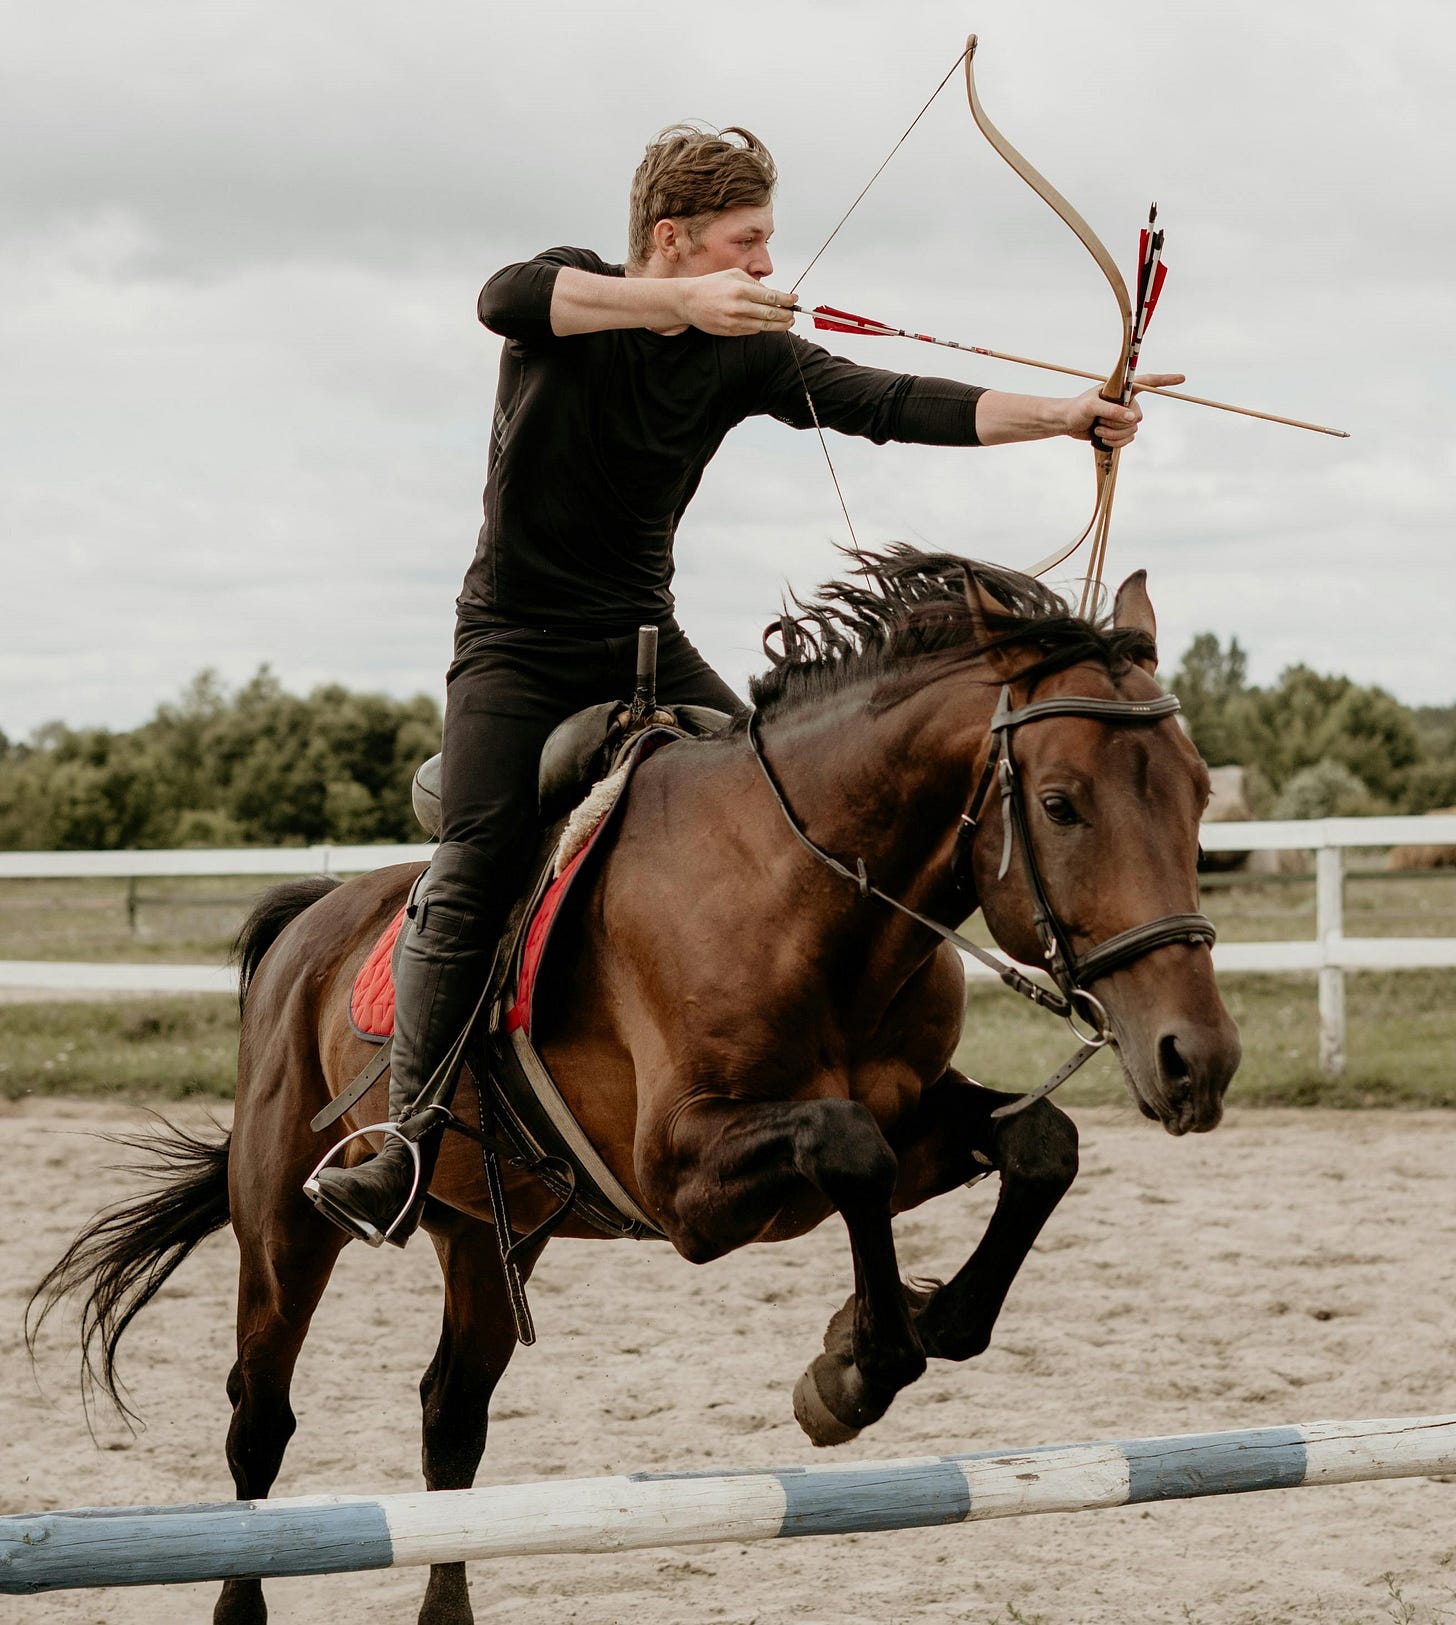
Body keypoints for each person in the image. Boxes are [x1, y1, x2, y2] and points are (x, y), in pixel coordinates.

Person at [306, 124, 1176, 1247]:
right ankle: (405, 1139)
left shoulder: (744, 356)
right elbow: (501, 295)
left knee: (774, 815)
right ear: (671, 239)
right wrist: (674, 306)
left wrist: (1061, 416)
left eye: (767, 244)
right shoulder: (566, 306)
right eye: (746, 242)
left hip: (646, 645)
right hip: (514, 651)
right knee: (474, 856)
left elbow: (892, 399)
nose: (768, 266)